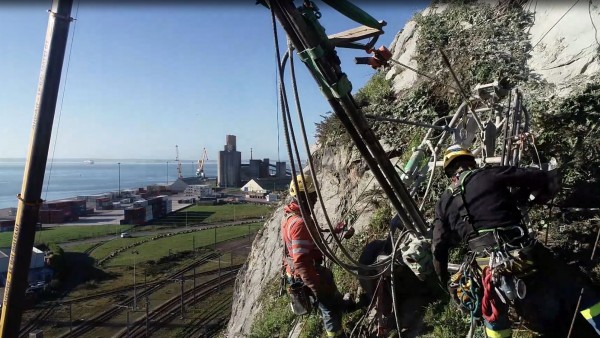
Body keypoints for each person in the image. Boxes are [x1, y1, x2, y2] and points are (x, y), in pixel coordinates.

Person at [432, 144, 600, 337]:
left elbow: (438, 247)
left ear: (449, 172)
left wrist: (445, 282)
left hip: (485, 267)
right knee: (579, 289)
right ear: (471, 162)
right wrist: (527, 196)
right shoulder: (490, 175)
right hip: (522, 252)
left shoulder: (443, 203)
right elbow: (537, 176)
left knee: (493, 317)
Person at [281, 174, 354, 338]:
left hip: (297, 271)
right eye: (312, 197)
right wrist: (316, 288)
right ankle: (336, 334)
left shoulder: (290, 216)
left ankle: (342, 305)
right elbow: (301, 262)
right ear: (303, 197)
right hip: (305, 273)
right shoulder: (300, 223)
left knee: (328, 277)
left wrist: (334, 231)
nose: (315, 201)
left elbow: (307, 237)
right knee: (328, 307)